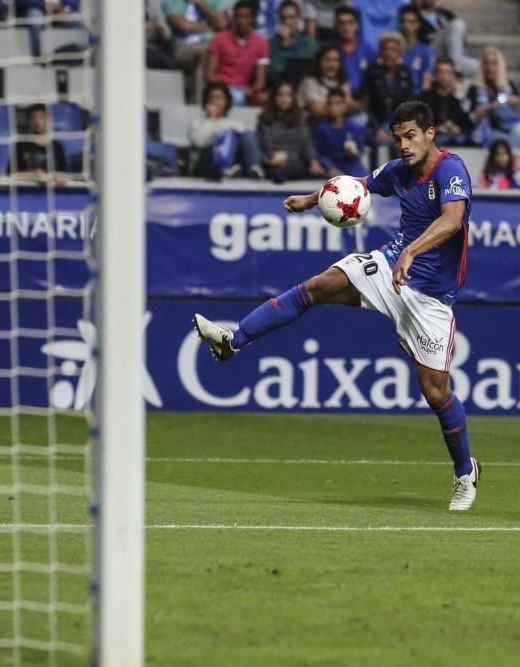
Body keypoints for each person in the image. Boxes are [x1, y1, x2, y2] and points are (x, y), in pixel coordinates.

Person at [193, 100, 481, 511]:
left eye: (411, 136)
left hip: (430, 297)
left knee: (435, 393)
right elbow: (358, 185)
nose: (403, 145)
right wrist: (311, 200)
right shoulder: (399, 170)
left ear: (430, 133)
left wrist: (413, 253)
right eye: (398, 138)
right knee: (318, 286)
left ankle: (465, 472)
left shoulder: (450, 170)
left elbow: (452, 221)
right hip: (388, 268)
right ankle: (233, 339)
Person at [189, 81, 264, 179]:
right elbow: (199, 142)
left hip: (235, 163)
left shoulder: (235, 123)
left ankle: (255, 168)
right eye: (211, 98)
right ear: (206, 101)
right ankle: (225, 168)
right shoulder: (198, 122)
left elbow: (244, 143)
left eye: (219, 98)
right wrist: (212, 119)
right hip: (207, 162)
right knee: (228, 135)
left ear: (226, 101)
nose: (214, 101)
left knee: (247, 134)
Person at [205, 0, 270, 106]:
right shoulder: (220, 39)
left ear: (252, 19)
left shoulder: (261, 43)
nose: (241, 21)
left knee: (266, 98)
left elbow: (260, 80)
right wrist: (224, 89)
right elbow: (210, 74)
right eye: (238, 16)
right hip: (222, 88)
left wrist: (251, 90)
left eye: (245, 17)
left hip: (245, 91)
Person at [163, 0, 229, 101]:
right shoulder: (172, 1)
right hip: (183, 46)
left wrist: (201, 4)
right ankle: (199, 101)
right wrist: (211, 26)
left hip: (211, 44)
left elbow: (222, 23)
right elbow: (183, 26)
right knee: (204, 54)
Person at [256, 80, 322, 182]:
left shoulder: (300, 118)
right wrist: (270, 160)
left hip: (297, 165)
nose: (284, 99)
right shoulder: (265, 119)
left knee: (320, 176)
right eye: (280, 95)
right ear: (274, 97)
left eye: (288, 95)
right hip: (274, 166)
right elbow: (262, 146)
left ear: (293, 98)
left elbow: (306, 143)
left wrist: (313, 162)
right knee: (278, 175)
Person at [360, 32, 414, 152]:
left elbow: (408, 105)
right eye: (386, 49)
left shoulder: (405, 73)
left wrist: (396, 129)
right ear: (380, 52)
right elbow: (366, 104)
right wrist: (378, 128)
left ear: (400, 53)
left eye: (393, 50)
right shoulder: (372, 72)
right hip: (374, 123)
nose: (389, 54)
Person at [467, 46, 520, 150]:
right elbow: (471, 117)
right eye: (486, 63)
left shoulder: (509, 85)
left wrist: (517, 102)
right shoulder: (474, 88)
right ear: (482, 66)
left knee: (519, 129)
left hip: (509, 126)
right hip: (488, 130)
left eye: (494, 64)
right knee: (509, 142)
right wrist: (490, 107)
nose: (490, 68)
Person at [312, 87, 367, 176]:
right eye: (330, 103)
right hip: (331, 167)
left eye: (337, 103)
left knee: (363, 179)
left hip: (351, 166)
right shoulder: (322, 128)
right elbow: (320, 153)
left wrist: (354, 153)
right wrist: (329, 167)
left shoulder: (354, 126)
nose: (333, 107)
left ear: (344, 106)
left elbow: (360, 150)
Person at [296, 45, 360, 121]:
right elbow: (317, 110)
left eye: (335, 60)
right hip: (312, 122)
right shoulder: (309, 81)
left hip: (335, 122)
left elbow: (348, 102)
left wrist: (358, 105)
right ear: (319, 62)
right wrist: (341, 109)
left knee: (361, 118)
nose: (331, 64)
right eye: (327, 59)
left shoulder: (342, 81)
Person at [414, 0, 477, 77]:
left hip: (450, 51)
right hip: (431, 51)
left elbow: (457, 33)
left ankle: (455, 63)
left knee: (481, 67)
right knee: (457, 24)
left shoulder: (444, 13)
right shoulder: (415, 14)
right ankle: (455, 66)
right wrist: (425, 36)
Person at [418, 57, 472, 146]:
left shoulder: (458, 101)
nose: (444, 76)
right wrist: (436, 129)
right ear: (435, 75)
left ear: (453, 76)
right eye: (441, 72)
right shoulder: (425, 98)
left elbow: (466, 123)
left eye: (448, 73)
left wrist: (457, 129)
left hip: (455, 142)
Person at [11, 103, 69, 184]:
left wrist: (55, 178)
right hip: (26, 193)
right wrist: (33, 175)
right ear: (28, 121)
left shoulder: (57, 147)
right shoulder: (20, 145)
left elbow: (64, 174)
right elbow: (12, 175)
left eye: (41, 117)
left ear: (48, 120)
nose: (37, 121)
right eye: (33, 118)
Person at [266, 0, 319, 87]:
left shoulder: (310, 45)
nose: (287, 22)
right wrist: (283, 47)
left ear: (298, 17)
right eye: (283, 18)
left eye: (291, 17)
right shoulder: (272, 43)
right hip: (280, 90)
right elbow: (273, 75)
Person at [333, 6, 377, 95]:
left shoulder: (370, 51)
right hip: (339, 96)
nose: (346, 27)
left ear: (357, 25)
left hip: (364, 97)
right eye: (341, 23)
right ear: (336, 26)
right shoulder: (332, 51)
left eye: (350, 23)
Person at [399, 4, 434, 95]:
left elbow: (426, 82)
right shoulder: (393, 49)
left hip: (415, 98)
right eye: (403, 21)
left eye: (411, 22)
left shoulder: (426, 51)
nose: (406, 25)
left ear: (418, 24)